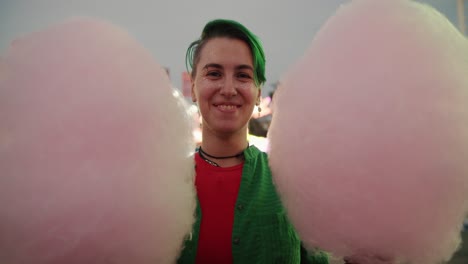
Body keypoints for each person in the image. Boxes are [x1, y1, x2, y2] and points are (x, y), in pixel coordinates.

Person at [176, 18, 329, 264]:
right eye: (214, 73)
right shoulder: (163, 184)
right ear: (193, 88)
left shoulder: (290, 182)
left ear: (258, 93)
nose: (228, 88)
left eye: (243, 76)